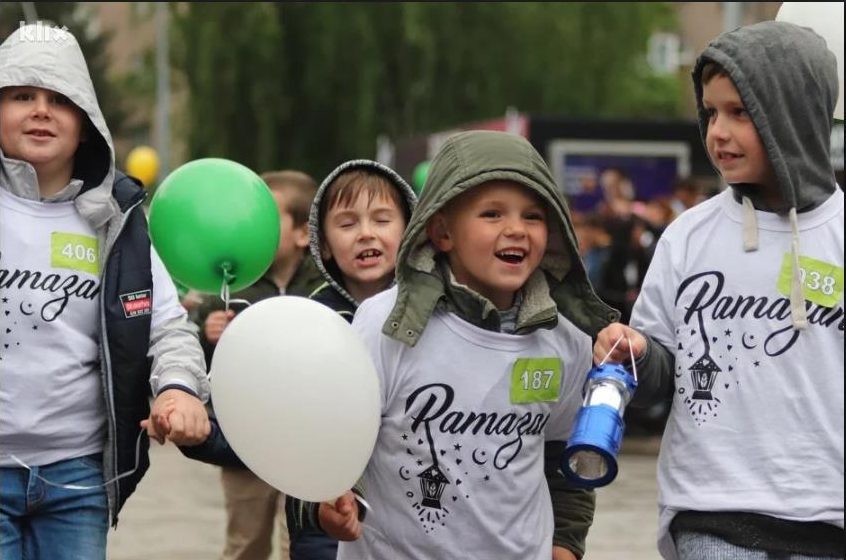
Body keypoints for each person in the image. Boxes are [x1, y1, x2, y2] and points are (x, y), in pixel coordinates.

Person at [593, 21, 844, 559]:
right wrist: (638, 353)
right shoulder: (687, 236)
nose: (717, 132)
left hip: (830, 515)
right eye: (710, 112)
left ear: (794, 113)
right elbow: (659, 374)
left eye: (740, 112)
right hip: (712, 511)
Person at [319, 130, 619, 560]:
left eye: (533, 216)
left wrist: (565, 545)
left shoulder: (565, 339)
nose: (516, 230)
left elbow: (566, 454)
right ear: (442, 231)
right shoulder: (386, 324)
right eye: (492, 214)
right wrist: (332, 504)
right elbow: (338, 440)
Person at [0, 24, 210, 560]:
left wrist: (180, 388)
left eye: (60, 100)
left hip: (78, 478)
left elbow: (167, 326)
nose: (41, 111)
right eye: (22, 95)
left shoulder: (118, 222)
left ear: (86, 123)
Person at [285, 159, 417, 559]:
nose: (366, 234)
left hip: (415, 514)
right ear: (323, 243)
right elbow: (289, 431)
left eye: (382, 220)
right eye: (347, 224)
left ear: (409, 229)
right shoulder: (307, 319)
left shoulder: (435, 317)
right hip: (326, 518)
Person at [194, 170, 323, 560]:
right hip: (245, 440)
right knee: (245, 542)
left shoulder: (324, 285)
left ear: (302, 234)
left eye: (267, 219)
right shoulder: (233, 285)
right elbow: (199, 356)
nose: (253, 227)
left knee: (298, 543)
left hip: (309, 439)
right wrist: (208, 333)